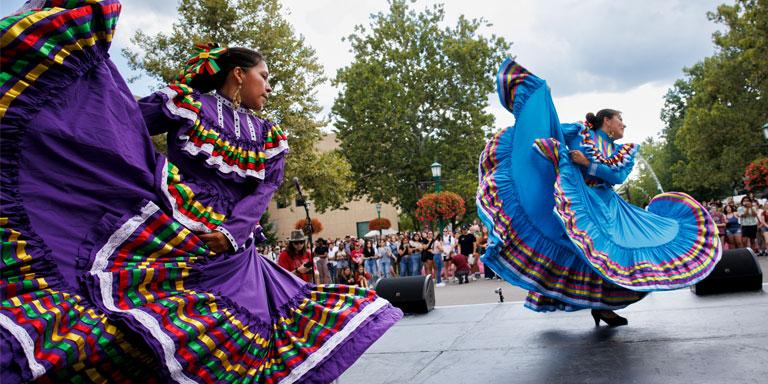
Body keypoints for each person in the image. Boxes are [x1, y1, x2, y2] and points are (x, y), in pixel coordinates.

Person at [0, 3, 402, 382]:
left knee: (255, 331)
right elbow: (121, 122)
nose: (269, 88)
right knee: (128, 321)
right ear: (240, 74)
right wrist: (77, 97)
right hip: (176, 233)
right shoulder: (186, 104)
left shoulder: (269, 136)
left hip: (231, 245)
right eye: (264, 77)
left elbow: (264, 191)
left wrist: (233, 232)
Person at [477, 60, 720, 327]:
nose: (624, 125)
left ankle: (604, 307)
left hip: (608, 207)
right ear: (607, 121)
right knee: (573, 246)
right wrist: (538, 97)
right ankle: (574, 300)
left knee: (614, 253)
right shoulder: (579, 132)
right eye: (620, 120)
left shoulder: (621, 153)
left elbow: (617, 176)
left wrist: (588, 163)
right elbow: (552, 127)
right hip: (579, 199)